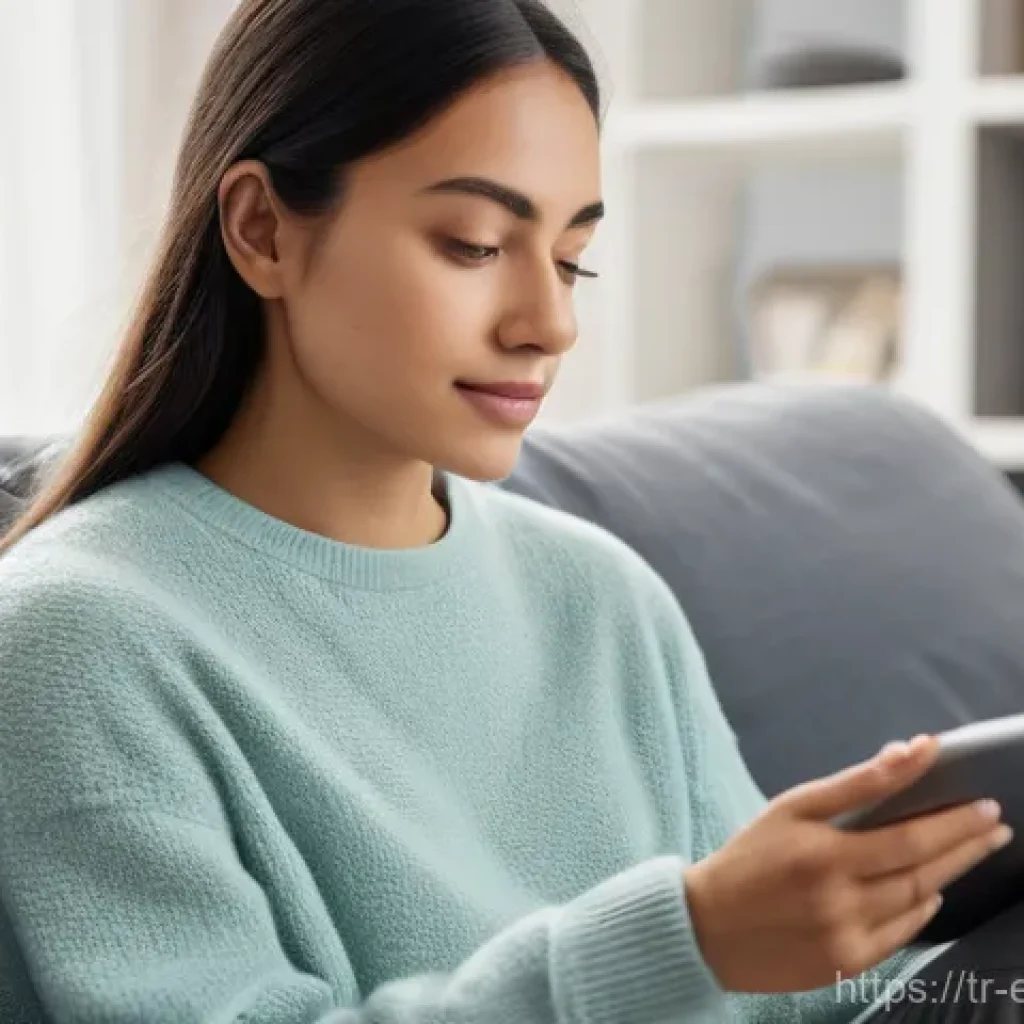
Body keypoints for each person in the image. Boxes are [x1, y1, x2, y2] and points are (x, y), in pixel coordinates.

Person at [0, 1, 1013, 1021]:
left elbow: (793, 997)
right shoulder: (77, 637)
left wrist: (903, 923)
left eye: (572, 258)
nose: (550, 324)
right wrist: (684, 943)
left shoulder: (599, 594)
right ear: (262, 229)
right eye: (475, 244)